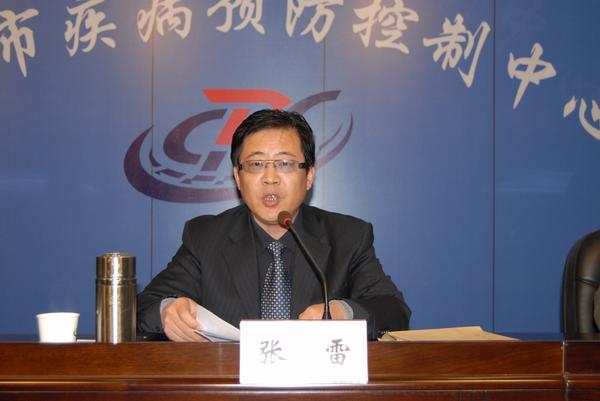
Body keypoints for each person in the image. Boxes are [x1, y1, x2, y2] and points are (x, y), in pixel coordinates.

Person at [137, 109, 410, 341]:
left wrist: (342, 313)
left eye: (285, 164)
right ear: (238, 177)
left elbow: (394, 310)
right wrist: (167, 311)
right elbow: (142, 307)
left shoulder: (348, 237)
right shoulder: (205, 237)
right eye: (256, 164)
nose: (270, 177)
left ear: (309, 175)